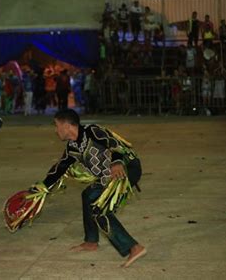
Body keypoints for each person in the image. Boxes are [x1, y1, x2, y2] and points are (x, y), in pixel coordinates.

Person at [35, 109, 146, 267]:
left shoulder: (92, 131)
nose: (55, 130)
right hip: (108, 176)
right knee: (88, 196)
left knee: (99, 210)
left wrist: (116, 162)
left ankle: (134, 247)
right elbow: (59, 169)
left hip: (126, 169)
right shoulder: (73, 147)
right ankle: (91, 241)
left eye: (57, 125)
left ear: (67, 126)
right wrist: (40, 188)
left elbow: (114, 144)